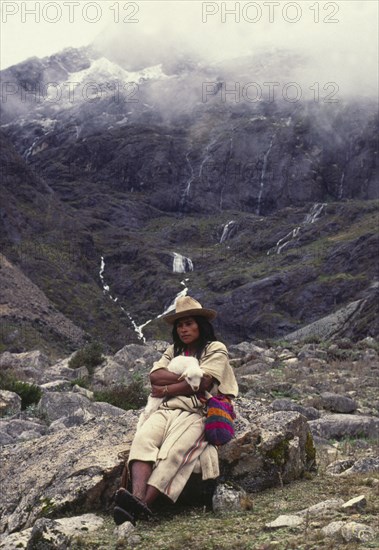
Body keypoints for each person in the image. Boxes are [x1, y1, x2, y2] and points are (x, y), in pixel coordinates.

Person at [113, 296, 238, 525]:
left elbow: (204, 383)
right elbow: (153, 377)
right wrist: (186, 378)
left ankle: (142, 506)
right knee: (143, 439)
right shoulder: (173, 350)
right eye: (180, 325)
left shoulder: (216, 349)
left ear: (201, 324)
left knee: (173, 453)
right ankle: (137, 498)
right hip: (166, 408)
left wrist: (168, 387)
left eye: (189, 323)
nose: (184, 329)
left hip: (196, 412)